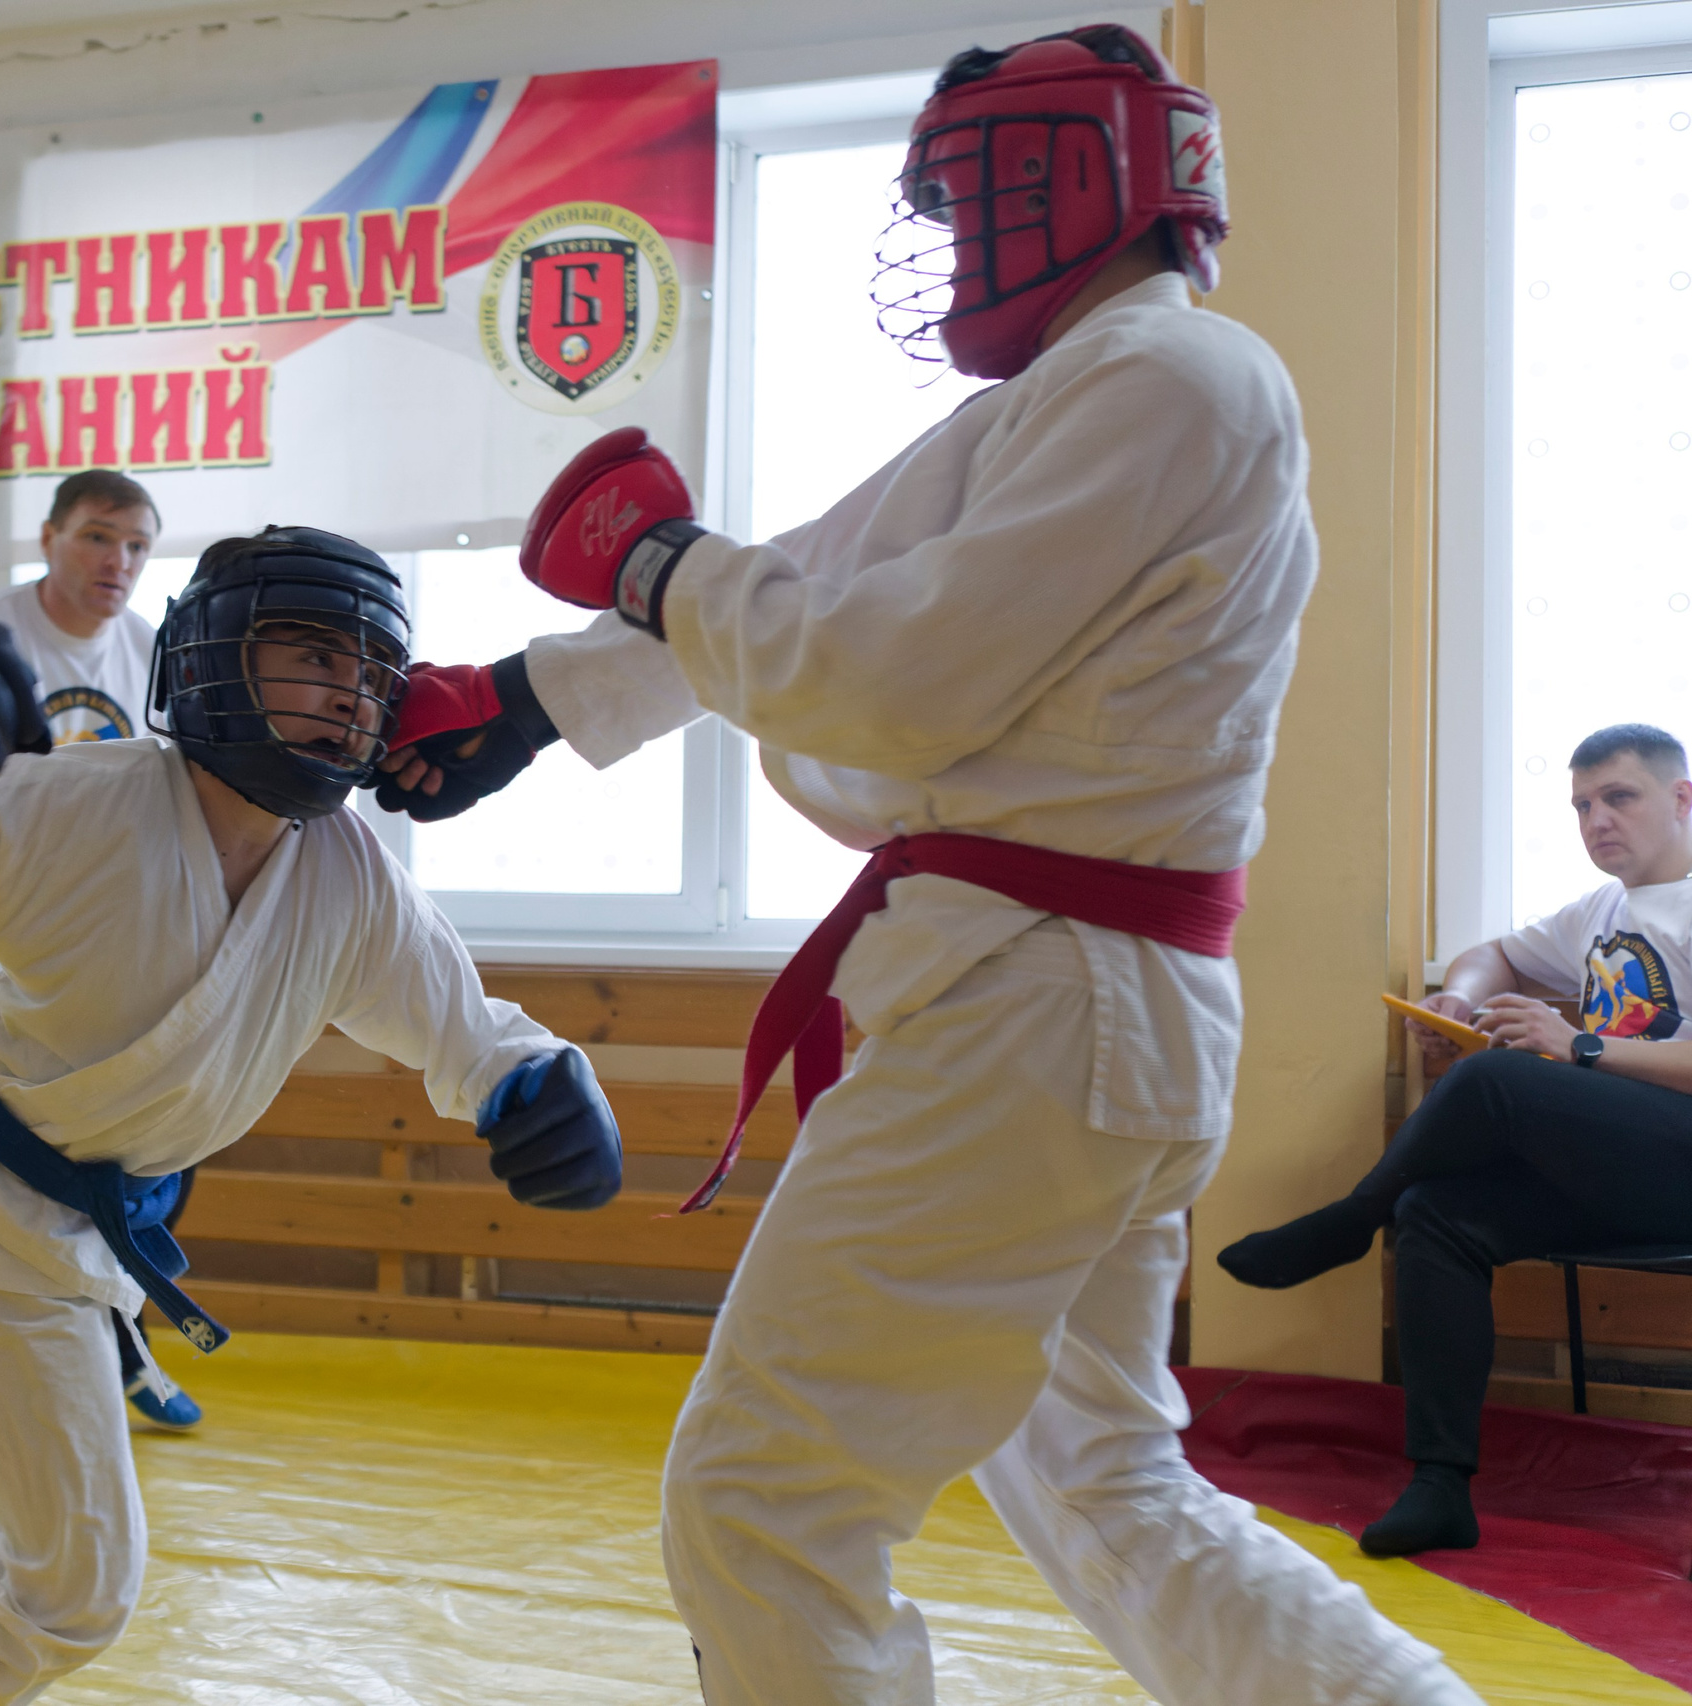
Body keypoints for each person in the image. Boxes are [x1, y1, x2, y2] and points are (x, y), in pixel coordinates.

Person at [377, 27, 1480, 1706]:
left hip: (1037, 1011)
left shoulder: (1172, 382)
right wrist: (537, 697)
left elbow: (888, 667)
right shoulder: (1089, 390)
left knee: (765, 1499)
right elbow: (829, 574)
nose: (950, 243)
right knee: (1108, 1486)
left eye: (971, 202)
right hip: (1073, 1010)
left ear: (1084, 184)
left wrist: (662, 561)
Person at [0, 527, 624, 1698]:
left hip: (94, 1230)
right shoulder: (67, 801)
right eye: (309, 653)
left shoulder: (348, 871)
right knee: (72, 1584)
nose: (345, 689)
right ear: (213, 662)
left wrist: (536, 1079)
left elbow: (462, 1022)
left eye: (366, 667)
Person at [1221, 723, 1692, 1557]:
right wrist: (1463, 1002)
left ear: (1682, 799)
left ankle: (1351, 1219)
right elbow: (1494, 956)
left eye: (1619, 797)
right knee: (1439, 1213)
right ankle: (1439, 1487)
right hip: (1618, 1167)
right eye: (1582, 805)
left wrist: (1577, 1043)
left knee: (1494, 1080)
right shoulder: (1600, 911)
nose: (1596, 821)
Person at [0, 470, 201, 1427]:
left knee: (147, 1134)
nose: (118, 562)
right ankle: (14, 1350)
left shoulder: (152, 651)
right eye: (97, 538)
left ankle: (110, 1335)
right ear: (49, 538)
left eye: (137, 546)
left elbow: (173, 801)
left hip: (99, 922)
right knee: (3, 1136)